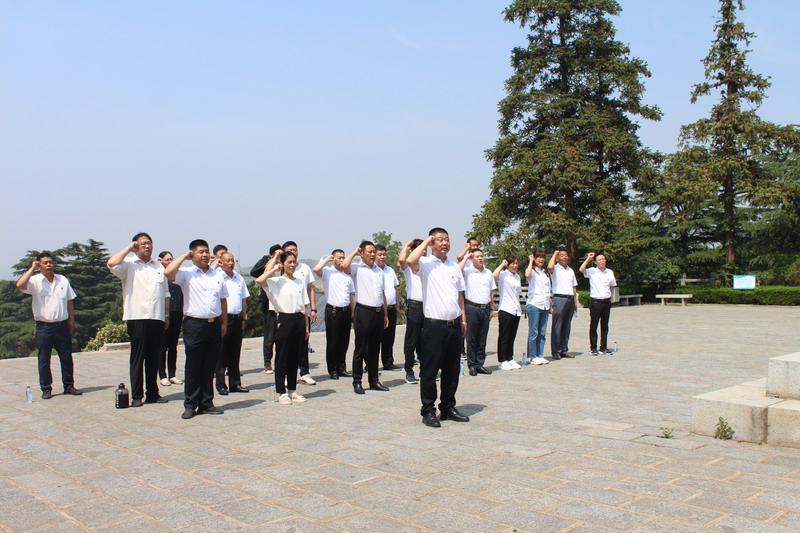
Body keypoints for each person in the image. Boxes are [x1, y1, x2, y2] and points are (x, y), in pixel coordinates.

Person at [406, 228, 469, 428]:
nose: (444, 243)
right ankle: (428, 410)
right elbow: (410, 261)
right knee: (430, 371)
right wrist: (426, 241)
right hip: (433, 326)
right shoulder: (425, 264)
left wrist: (463, 321)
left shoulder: (454, 266)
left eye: (447, 239)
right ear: (432, 243)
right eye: (440, 239)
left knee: (452, 370)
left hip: (454, 325)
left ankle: (448, 407)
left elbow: (460, 295)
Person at [165, 239, 228, 420]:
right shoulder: (186, 274)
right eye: (200, 252)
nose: (205, 255)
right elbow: (168, 272)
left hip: (213, 324)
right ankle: (191, 404)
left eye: (206, 251)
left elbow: (223, 300)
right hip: (194, 325)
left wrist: (223, 323)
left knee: (209, 366)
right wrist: (184, 256)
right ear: (192, 254)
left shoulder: (218, 275)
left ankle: (207, 403)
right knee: (193, 366)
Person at [108, 233, 170, 407]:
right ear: (136, 245)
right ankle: (137, 395)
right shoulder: (128, 264)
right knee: (138, 357)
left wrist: (166, 315)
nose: (147, 246)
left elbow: (166, 293)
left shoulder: (158, 266)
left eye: (149, 243)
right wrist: (129, 248)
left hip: (156, 317)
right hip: (137, 317)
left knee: (153, 358)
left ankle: (153, 393)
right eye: (143, 244)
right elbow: (111, 263)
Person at [16, 252, 82, 399]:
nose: (48, 265)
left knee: (66, 357)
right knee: (44, 359)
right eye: (45, 263)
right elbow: (20, 285)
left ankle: (69, 385)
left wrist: (71, 320)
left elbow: (69, 300)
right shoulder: (35, 281)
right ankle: (46, 388)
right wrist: (32, 269)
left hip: (62, 325)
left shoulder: (62, 280)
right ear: (39, 265)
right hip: (44, 327)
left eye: (50, 262)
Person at [255, 250, 309, 405]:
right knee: (282, 356)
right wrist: (274, 268)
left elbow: (305, 306)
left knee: (294, 357)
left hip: (299, 319)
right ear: (283, 264)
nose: (292, 265)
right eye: (289, 262)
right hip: (284, 319)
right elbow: (259, 280)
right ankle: (281, 391)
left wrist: (306, 326)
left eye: (294, 262)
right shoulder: (276, 281)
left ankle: (292, 389)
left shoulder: (299, 281)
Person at [341, 242, 390, 395]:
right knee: (360, 349)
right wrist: (354, 252)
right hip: (363, 312)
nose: (373, 254)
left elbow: (382, 293)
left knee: (375, 349)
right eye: (369, 252)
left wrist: (385, 314)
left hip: (378, 312)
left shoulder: (379, 271)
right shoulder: (357, 269)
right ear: (362, 253)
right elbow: (343, 265)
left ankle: (374, 380)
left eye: (374, 251)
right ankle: (357, 381)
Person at [313, 250, 354, 380]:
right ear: (333, 258)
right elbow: (316, 269)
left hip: (346, 311)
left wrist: (352, 311)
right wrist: (327, 259)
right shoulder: (328, 272)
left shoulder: (347, 275)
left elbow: (350, 295)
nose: (342, 260)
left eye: (343, 258)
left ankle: (342, 368)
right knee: (333, 342)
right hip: (333, 311)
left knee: (344, 341)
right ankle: (333, 369)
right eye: (339, 258)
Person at [282, 241, 318, 385]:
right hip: (286, 313)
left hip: (302, 311)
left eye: (295, 250)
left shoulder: (304, 268)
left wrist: (313, 309)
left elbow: (310, 289)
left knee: (303, 343)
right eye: (290, 250)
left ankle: (305, 373)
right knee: (286, 346)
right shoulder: (281, 269)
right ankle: (285, 374)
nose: (293, 252)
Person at [216, 252, 250, 394]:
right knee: (222, 352)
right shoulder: (218, 277)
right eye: (228, 260)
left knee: (235, 352)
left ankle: (235, 383)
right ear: (221, 262)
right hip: (224, 318)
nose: (231, 263)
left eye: (232, 260)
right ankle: (221, 384)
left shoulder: (239, 278)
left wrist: (244, 317)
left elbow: (243, 299)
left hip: (237, 318)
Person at [460, 248, 494, 376]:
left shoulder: (488, 273)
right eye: (477, 256)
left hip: (485, 308)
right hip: (472, 308)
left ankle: (480, 364)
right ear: (472, 258)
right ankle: (472, 365)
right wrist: (466, 257)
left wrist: (491, 308)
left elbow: (491, 292)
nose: (480, 258)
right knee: (472, 338)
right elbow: (458, 270)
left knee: (482, 338)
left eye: (482, 256)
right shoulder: (468, 271)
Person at [251, 244, 282, 374]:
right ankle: (267, 362)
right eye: (278, 254)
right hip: (271, 308)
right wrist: (272, 259)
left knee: (281, 338)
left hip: (283, 309)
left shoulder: (285, 267)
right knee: (269, 337)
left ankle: (281, 361)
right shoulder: (270, 268)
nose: (280, 256)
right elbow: (259, 273)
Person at [580, 252, 617, 356]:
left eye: (603, 259)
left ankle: (603, 347)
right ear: (596, 262)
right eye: (599, 260)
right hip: (595, 302)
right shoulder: (592, 271)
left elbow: (612, 285)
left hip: (606, 301)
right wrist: (588, 258)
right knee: (594, 325)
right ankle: (593, 347)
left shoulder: (609, 272)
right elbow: (581, 269)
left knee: (605, 326)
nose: (602, 261)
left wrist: (610, 297)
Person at [397, 239, 424, 384]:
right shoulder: (408, 267)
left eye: (425, 249)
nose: (423, 251)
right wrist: (406, 246)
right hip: (415, 306)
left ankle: (425, 370)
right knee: (411, 341)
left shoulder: (428, 266)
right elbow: (402, 260)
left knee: (426, 341)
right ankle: (409, 371)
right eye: (420, 248)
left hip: (429, 306)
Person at [157, 251, 183, 386]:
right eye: (167, 259)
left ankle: (172, 374)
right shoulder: (160, 275)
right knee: (162, 346)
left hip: (177, 313)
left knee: (173, 346)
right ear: (161, 261)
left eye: (171, 259)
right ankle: (162, 375)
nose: (170, 261)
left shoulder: (178, 276)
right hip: (164, 314)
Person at [548, 249, 578, 360]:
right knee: (557, 326)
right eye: (561, 256)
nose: (564, 257)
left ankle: (564, 350)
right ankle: (556, 351)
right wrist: (555, 253)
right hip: (559, 298)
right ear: (557, 258)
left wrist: (575, 302)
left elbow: (574, 287)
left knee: (566, 326)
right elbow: (549, 267)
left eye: (566, 255)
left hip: (569, 299)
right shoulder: (555, 268)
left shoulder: (570, 270)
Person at [493, 256, 522, 370]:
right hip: (506, 309)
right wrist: (502, 264)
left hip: (516, 310)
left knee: (511, 336)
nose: (514, 265)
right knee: (504, 337)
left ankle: (510, 358)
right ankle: (502, 360)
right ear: (508, 264)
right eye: (512, 263)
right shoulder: (503, 274)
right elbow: (494, 275)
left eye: (516, 263)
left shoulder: (517, 276)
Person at [376, 244, 401, 371]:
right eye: (379, 254)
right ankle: (371, 364)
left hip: (391, 308)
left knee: (389, 337)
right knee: (375, 338)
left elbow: (396, 289)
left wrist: (397, 306)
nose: (382, 257)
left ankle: (388, 362)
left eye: (384, 254)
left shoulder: (390, 270)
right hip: (378, 309)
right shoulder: (372, 270)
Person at [525, 251, 552, 365]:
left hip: (545, 305)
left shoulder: (545, 272)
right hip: (534, 304)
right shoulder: (532, 270)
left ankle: (540, 354)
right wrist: (531, 261)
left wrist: (550, 303)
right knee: (534, 332)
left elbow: (548, 289)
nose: (541, 259)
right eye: (538, 257)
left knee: (542, 332)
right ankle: (532, 356)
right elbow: (527, 275)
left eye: (543, 257)